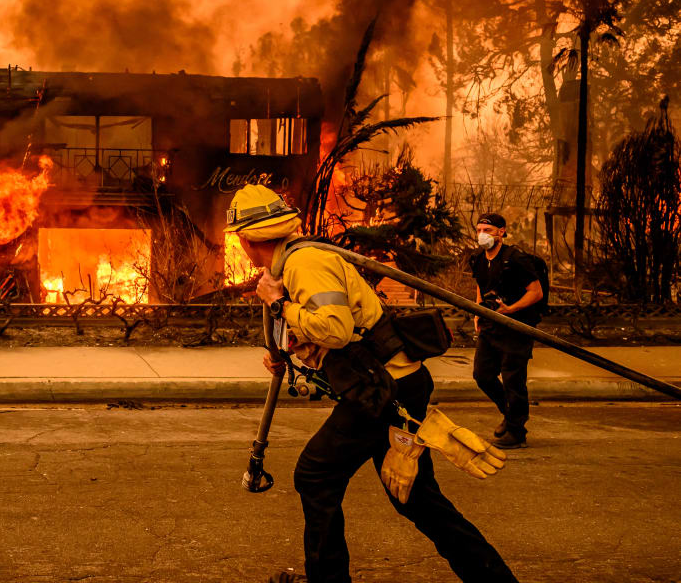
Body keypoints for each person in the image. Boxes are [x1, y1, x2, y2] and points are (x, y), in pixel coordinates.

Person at [225, 184, 516, 583]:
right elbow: (328, 324)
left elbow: (336, 329)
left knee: (316, 474)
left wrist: (279, 304)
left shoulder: (302, 263)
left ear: (245, 238)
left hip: (384, 390)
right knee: (416, 500)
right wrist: (288, 346)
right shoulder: (293, 261)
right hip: (392, 384)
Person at [469, 212, 544, 449]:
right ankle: (510, 415)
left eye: (488, 231)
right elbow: (481, 288)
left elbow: (536, 292)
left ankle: (516, 432)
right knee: (483, 375)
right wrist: (477, 312)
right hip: (490, 325)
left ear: (501, 232)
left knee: (513, 379)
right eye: (479, 230)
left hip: (516, 327)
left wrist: (510, 309)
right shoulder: (479, 259)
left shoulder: (516, 259)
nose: (482, 235)